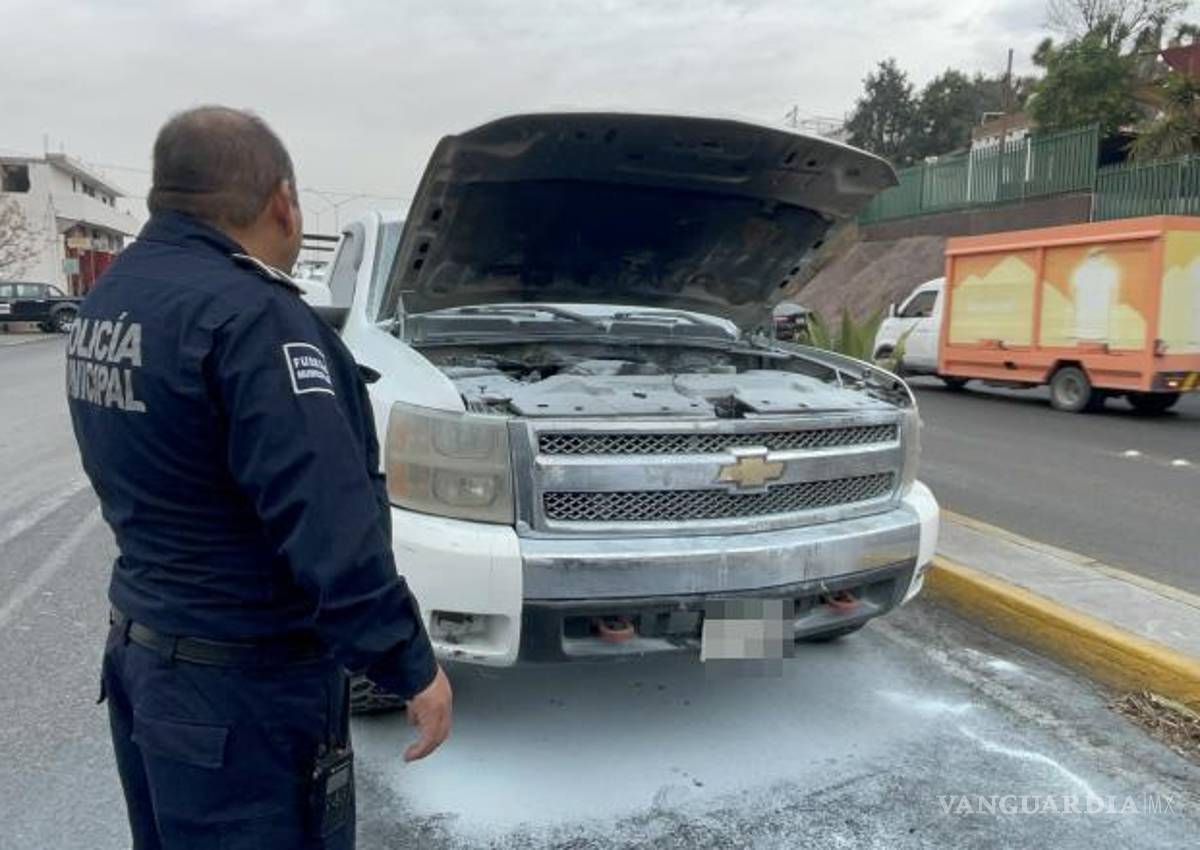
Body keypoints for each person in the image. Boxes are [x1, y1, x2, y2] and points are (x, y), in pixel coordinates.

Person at [65, 105, 452, 849]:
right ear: (282, 200)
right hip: (242, 693)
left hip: (149, 665)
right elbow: (330, 527)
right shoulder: (253, 319)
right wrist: (409, 662)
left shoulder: (113, 299)